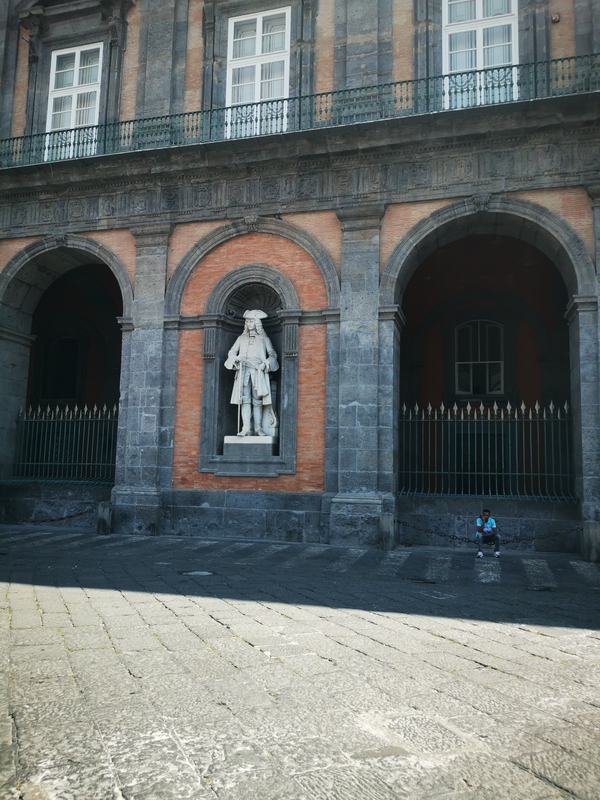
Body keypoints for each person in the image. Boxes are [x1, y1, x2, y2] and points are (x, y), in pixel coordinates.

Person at [224, 309, 279, 436]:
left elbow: (272, 354)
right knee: (245, 399)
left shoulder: (264, 339)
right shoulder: (241, 338)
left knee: (257, 400)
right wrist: (236, 358)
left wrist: (265, 363)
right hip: (244, 371)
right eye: (247, 322)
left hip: (258, 371)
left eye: (251, 322)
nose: (249, 324)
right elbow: (232, 352)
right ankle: (246, 428)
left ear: (257, 323)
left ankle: (258, 428)